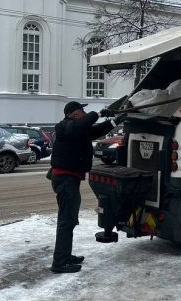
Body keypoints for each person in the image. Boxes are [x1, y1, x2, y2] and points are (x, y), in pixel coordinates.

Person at [49, 101, 120, 274]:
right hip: (65, 180)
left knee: (70, 220)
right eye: (82, 110)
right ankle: (60, 263)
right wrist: (99, 113)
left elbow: (95, 131)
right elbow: (84, 123)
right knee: (66, 221)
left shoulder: (77, 129)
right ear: (73, 114)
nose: (84, 113)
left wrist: (115, 121)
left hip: (69, 179)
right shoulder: (66, 126)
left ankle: (65, 256)